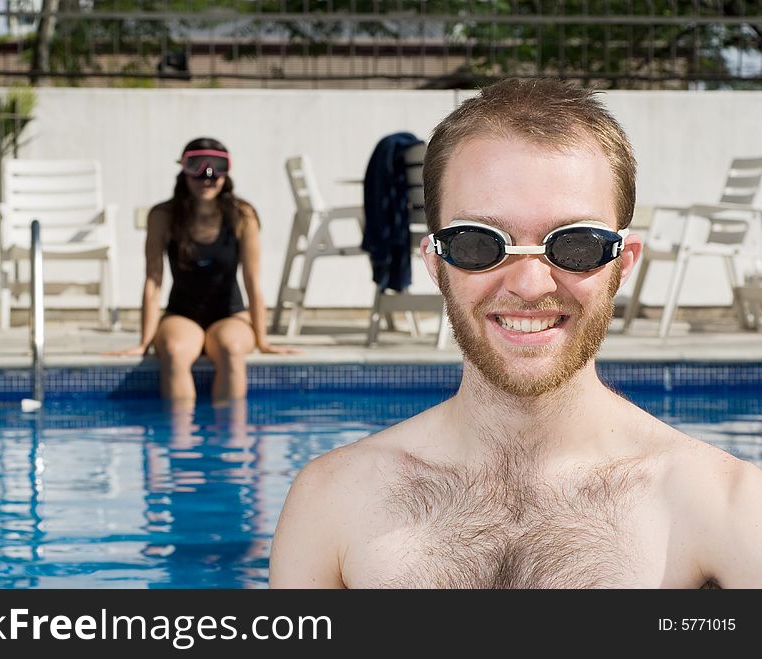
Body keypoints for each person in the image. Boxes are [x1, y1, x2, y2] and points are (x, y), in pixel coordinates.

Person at [269, 78, 762, 588]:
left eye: (575, 245)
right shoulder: (332, 502)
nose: (530, 285)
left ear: (622, 264)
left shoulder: (725, 510)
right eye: (480, 244)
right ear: (437, 265)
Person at [112, 137, 293, 401]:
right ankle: (178, 438)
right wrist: (144, 342)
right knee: (174, 351)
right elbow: (153, 280)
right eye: (196, 167)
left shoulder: (242, 215)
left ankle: (231, 439)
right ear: (183, 170)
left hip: (231, 315)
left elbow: (253, 281)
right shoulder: (163, 215)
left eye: (216, 169)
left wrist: (263, 341)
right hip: (182, 315)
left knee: (231, 349)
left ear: (226, 173)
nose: (207, 177)